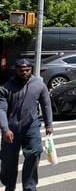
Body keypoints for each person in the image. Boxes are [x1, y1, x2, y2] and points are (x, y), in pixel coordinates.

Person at [0, 58, 53, 191]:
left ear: (31, 69)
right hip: (11, 129)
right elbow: (1, 109)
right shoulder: (6, 87)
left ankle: (29, 187)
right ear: (16, 70)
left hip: (31, 127)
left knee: (33, 154)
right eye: (21, 70)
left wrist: (49, 124)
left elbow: (46, 105)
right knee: (8, 161)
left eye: (27, 70)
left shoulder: (39, 85)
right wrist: (5, 129)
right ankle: (9, 186)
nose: (24, 73)